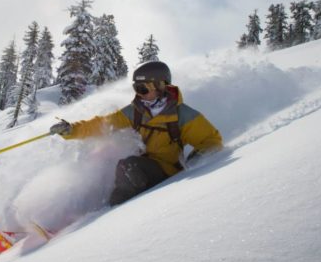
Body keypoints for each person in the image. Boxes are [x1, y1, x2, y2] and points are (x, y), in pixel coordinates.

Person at [50, 61, 222, 205]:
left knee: (129, 166)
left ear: (160, 86)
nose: (139, 94)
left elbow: (211, 141)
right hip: (143, 167)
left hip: (167, 172)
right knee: (100, 160)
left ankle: (112, 215)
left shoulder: (183, 115)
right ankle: (82, 210)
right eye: (136, 88)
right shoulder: (135, 112)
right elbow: (102, 125)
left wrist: (195, 164)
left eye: (143, 89)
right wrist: (71, 130)